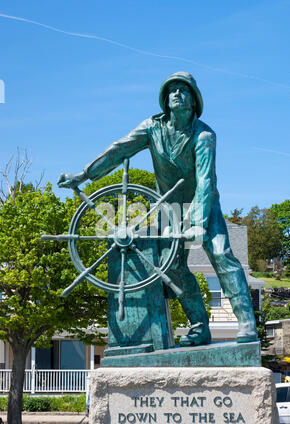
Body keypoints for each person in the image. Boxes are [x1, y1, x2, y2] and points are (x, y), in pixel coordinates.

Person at [58, 71, 258, 346]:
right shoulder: (152, 127)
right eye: (172, 90)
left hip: (204, 203)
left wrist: (198, 222)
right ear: (165, 99)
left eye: (183, 90)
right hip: (169, 208)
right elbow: (119, 150)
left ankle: (246, 322)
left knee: (223, 255)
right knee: (171, 266)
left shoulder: (204, 136)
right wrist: (84, 175)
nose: (176, 94)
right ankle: (200, 326)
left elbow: (205, 180)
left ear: (194, 100)